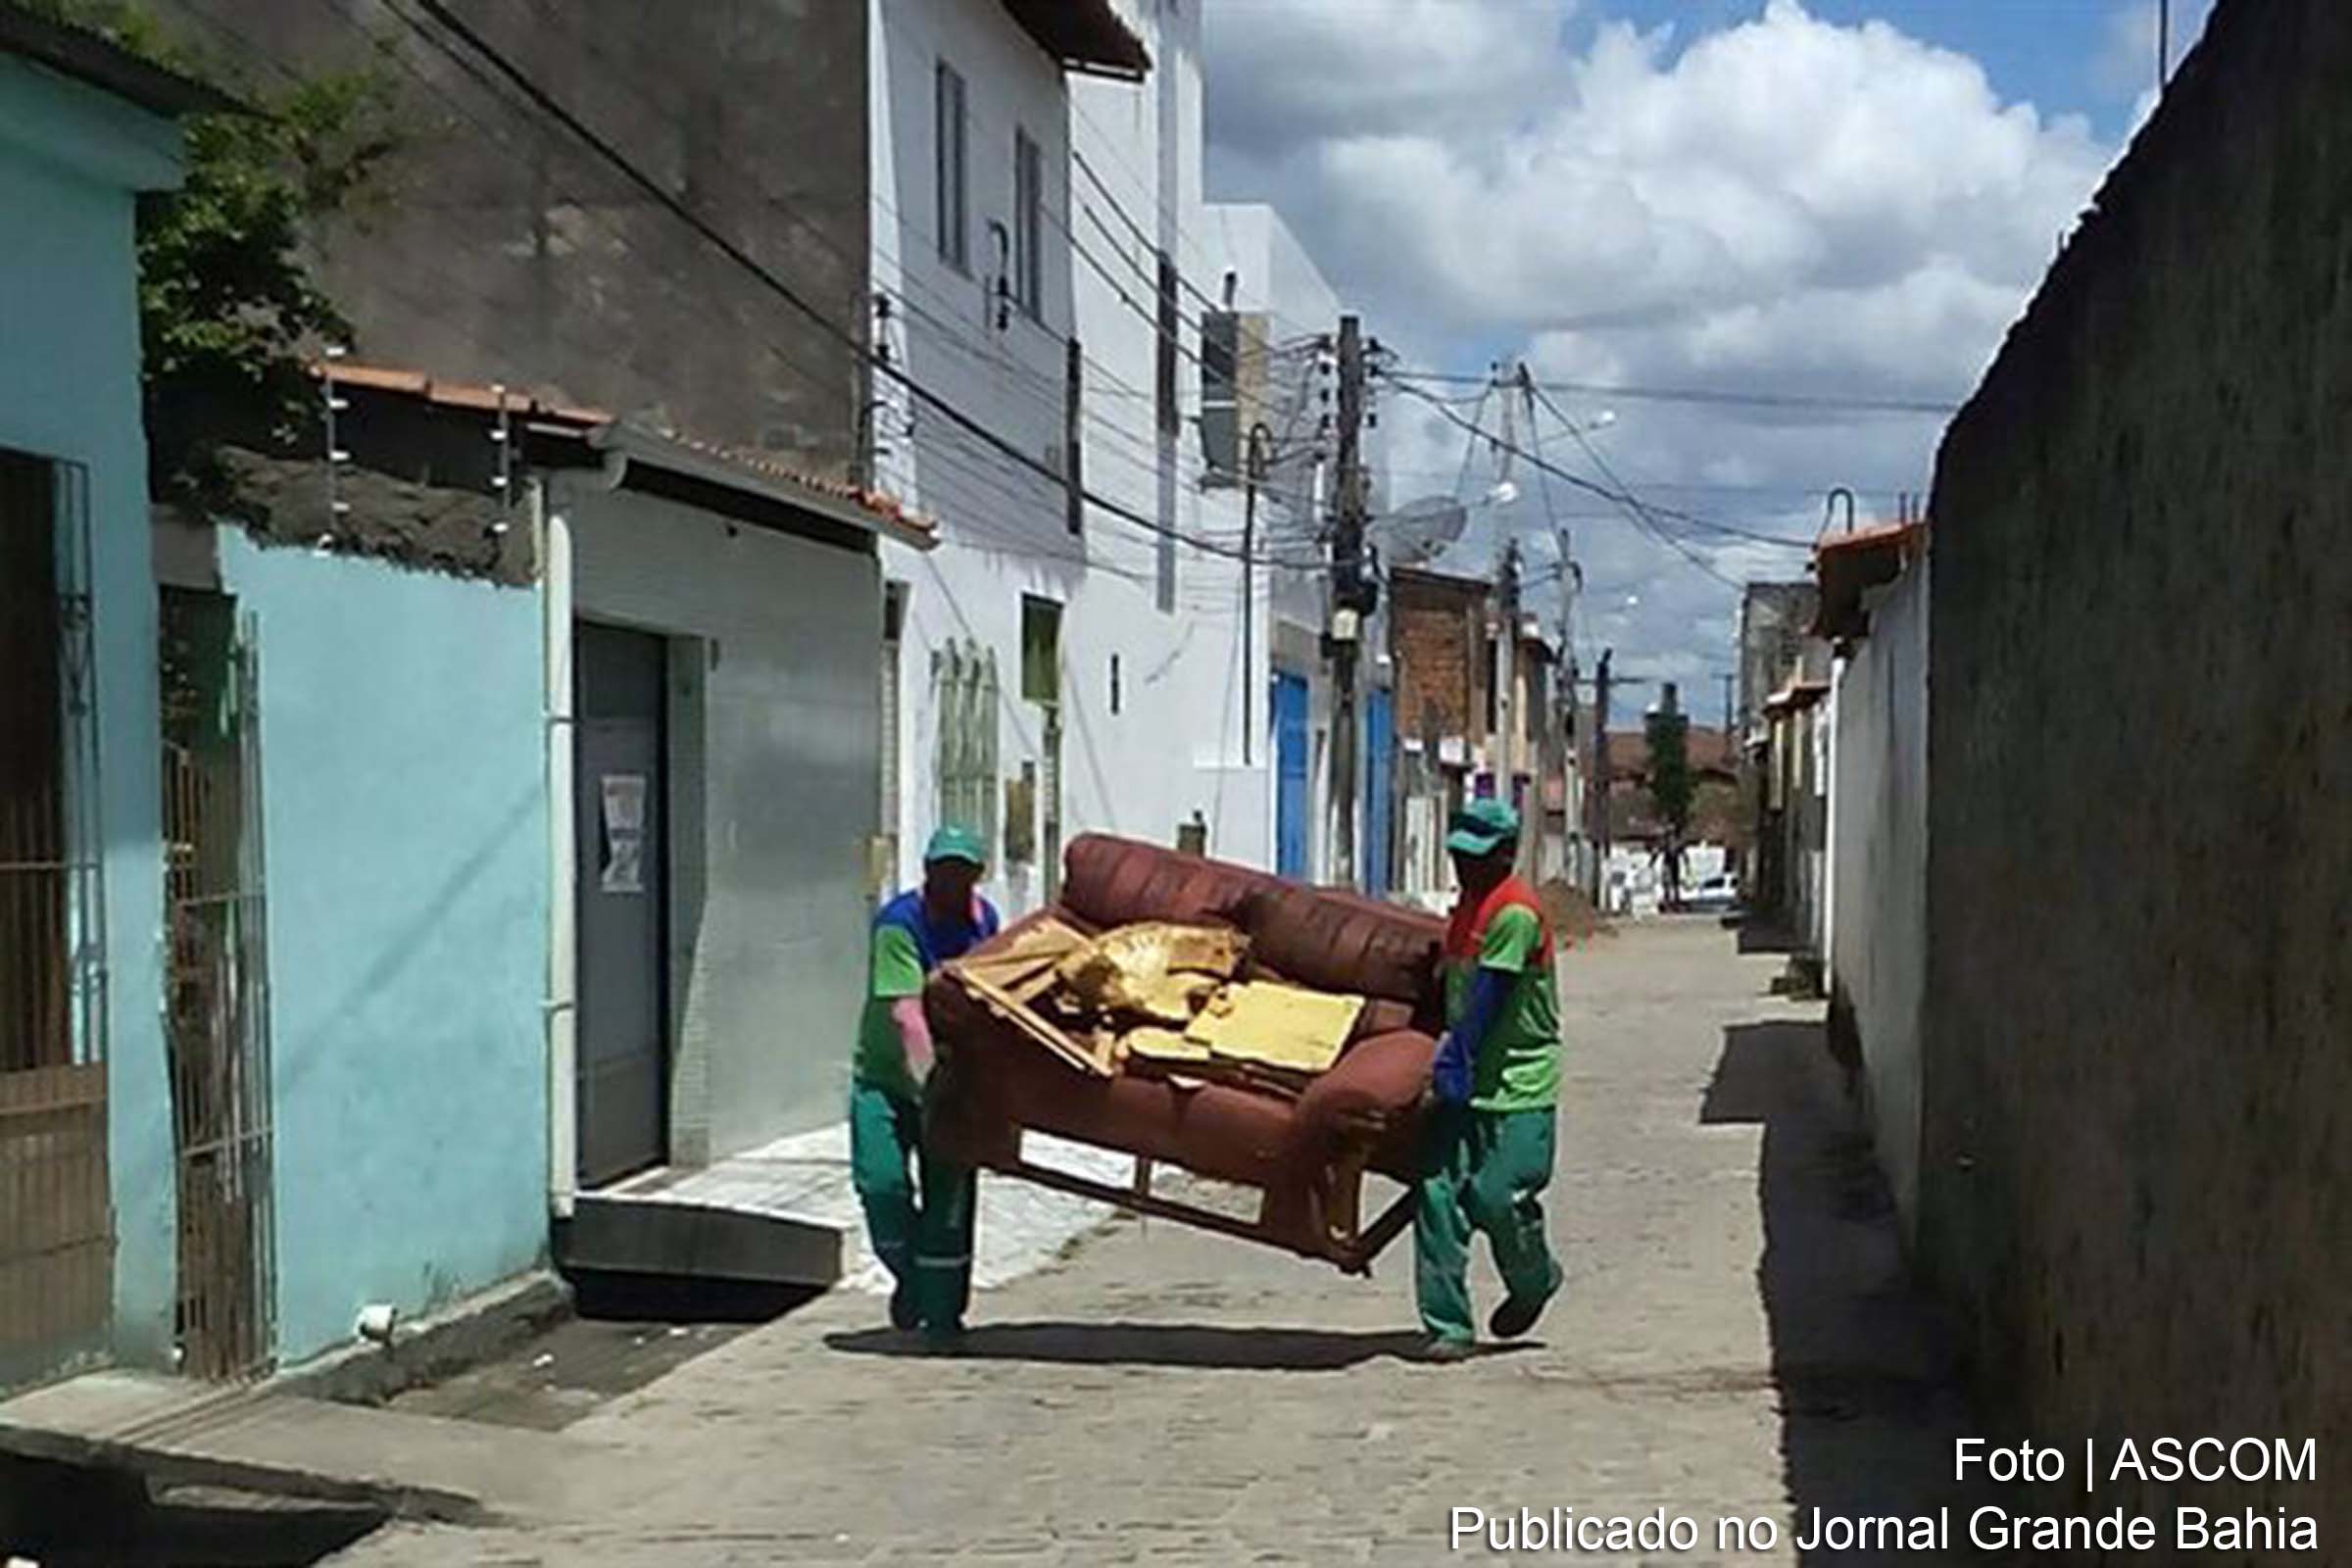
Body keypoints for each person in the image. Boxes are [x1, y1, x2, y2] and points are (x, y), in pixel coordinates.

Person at [1412, 797, 1566, 1362]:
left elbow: (1489, 996)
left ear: (1505, 854)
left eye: (1475, 857)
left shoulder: (1514, 912)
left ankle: (1534, 1280)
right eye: (1458, 855)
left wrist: (1458, 1056)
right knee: (1436, 1193)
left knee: (1498, 1195)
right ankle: (1448, 1325)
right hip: (1466, 1081)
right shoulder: (1466, 909)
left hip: (1519, 1082)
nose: (1463, 867)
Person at [851, 824, 1000, 1348]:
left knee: (949, 1207)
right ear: (927, 871)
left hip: (955, 1085)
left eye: (962, 871)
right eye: (942, 870)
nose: (951, 881)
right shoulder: (899, 925)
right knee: (882, 1185)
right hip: (890, 1081)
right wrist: (928, 1081)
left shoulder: (985, 923)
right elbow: (906, 1013)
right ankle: (910, 1278)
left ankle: (942, 1320)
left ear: (977, 875)